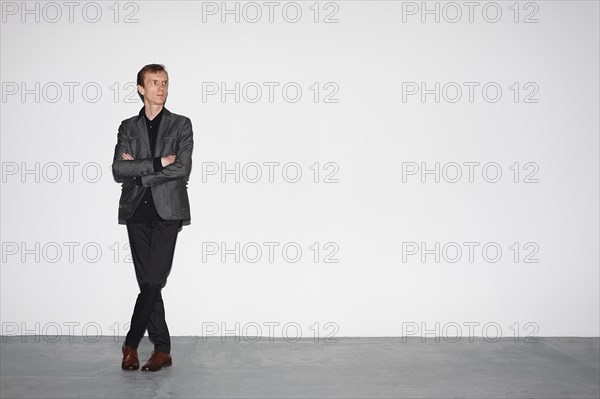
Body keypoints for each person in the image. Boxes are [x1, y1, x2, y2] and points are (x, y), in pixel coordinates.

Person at [111, 64, 193, 371]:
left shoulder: (181, 125)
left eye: (165, 82)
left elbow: (182, 168)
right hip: (135, 212)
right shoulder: (127, 127)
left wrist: (141, 172)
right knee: (148, 282)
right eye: (154, 82)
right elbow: (119, 170)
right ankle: (163, 349)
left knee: (154, 279)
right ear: (140, 88)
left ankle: (130, 343)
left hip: (168, 212)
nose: (161, 87)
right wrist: (159, 162)